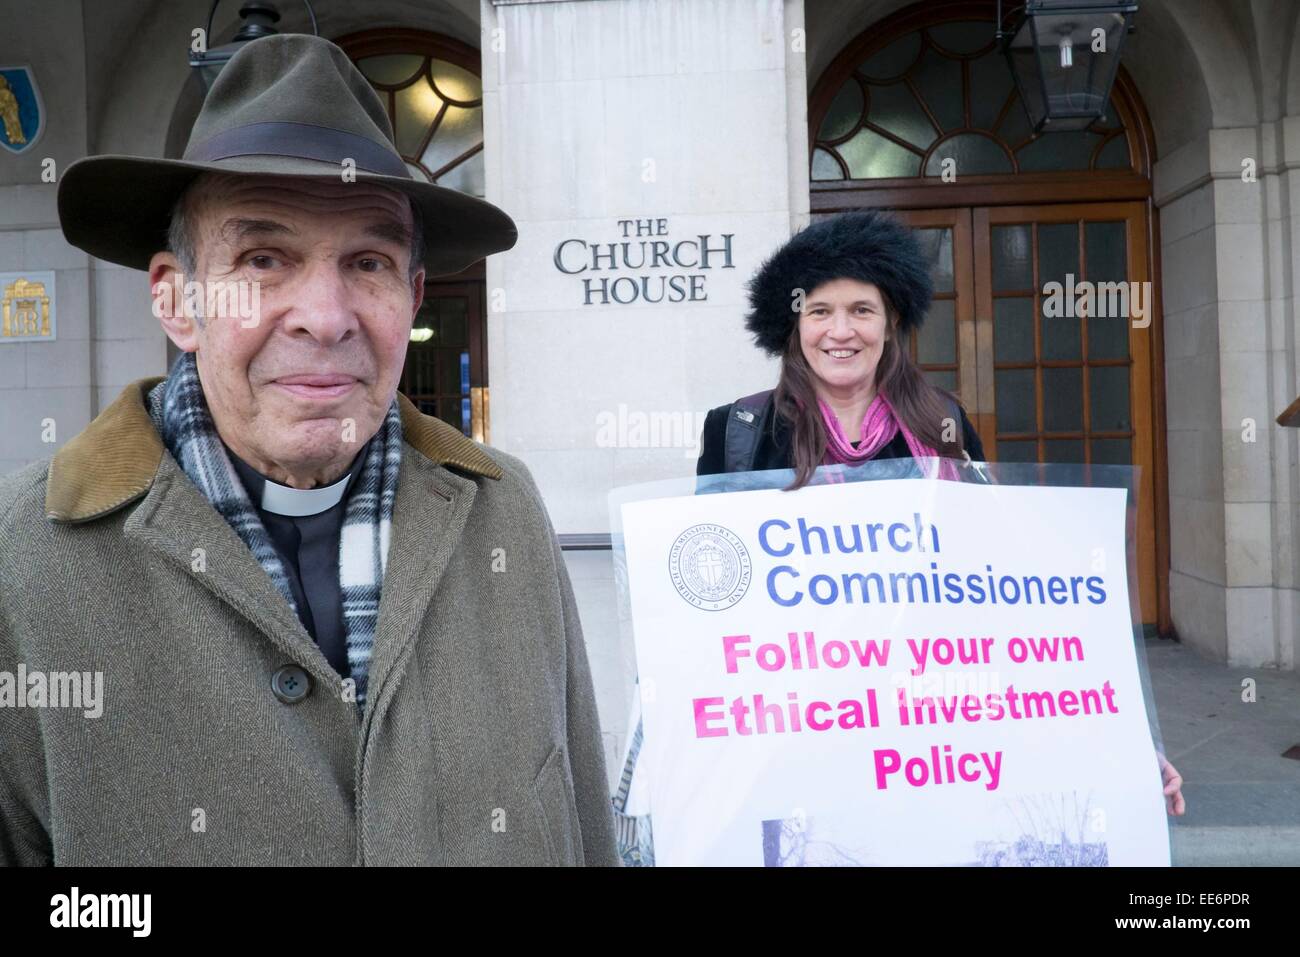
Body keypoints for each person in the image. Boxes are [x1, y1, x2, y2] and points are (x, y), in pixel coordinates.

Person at [0, 34, 618, 865]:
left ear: (412, 296)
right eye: (263, 259)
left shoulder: (504, 508)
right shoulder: (26, 563)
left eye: (368, 261)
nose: (325, 316)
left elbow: (580, 822)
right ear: (178, 300)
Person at [694, 211, 1186, 819]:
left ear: (891, 321)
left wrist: (1131, 740)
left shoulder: (941, 424)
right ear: (792, 325)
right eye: (819, 310)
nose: (840, 330)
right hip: (794, 721)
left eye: (861, 310)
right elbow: (705, 601)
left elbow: (1010, 589)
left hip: (925, 720)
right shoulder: (738, 431)